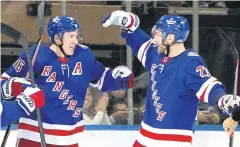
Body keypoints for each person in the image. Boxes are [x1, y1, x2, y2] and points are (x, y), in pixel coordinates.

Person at [102, 11, 240, 147]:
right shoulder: (157, 54)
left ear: (170, 38)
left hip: (174, 140)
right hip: (145, 136)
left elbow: (209, 87)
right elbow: (141, 43)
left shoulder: (190, 63)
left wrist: (224, 101)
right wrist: (129, 25)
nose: (155, 38)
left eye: (158, 34)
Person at [2, 15, 134, 147]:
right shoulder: (36, 55)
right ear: (57, 38)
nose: (75, 41)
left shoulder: (84, 56)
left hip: (68, 137)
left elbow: (103, 79)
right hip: (33, 135)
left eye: (76, 36)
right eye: (71, 36)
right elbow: (4, 83)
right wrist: (16, 86)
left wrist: (121, 79)